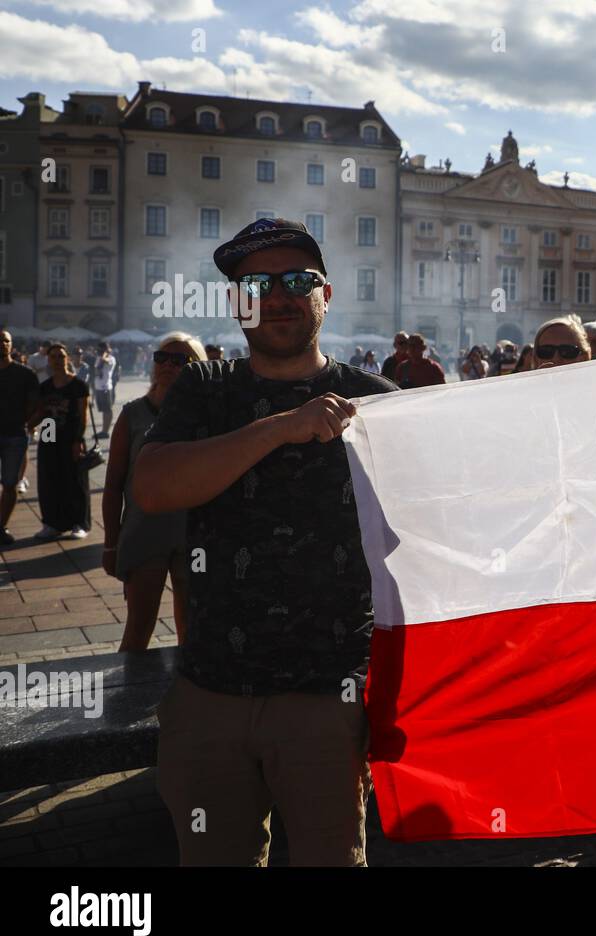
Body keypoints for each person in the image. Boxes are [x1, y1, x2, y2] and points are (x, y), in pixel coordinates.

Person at [131, 217, 399, 866]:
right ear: (237, 302)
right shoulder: (206, 388)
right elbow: (155, 487)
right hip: (210, 692)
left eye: (296, 280)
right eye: (255, 283)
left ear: (325, 296)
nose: (276, 294)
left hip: (327, 700)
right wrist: (283, 427)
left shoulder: (378, 403)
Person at [103, 333, 205, 652]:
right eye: (162, 358)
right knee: (138, 628)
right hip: (144, 530)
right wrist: (110, 543)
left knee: (192, 630)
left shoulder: (209, 416)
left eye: (180, 361)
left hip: (194, 532)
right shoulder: (133, 414)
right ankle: (125, 698)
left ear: (197, 368)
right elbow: (113, 484)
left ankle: (186, 697)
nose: (168, 366)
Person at [29, 342, 92, 541]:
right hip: (49, 433)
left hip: (70, 435)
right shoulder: (45, 387)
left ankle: (79, 523)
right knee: (49, 480)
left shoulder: (78, 385)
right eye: (54, 357)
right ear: (48, 360)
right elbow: (40, 413)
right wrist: (26, 425)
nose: (57, 360)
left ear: (68, 359)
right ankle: (53, 523)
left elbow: (83, 416)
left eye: (61, 356)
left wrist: (78, 440)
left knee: (75, 481)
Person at [0, 330, 40, 545]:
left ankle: (1, 526)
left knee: (9, 484)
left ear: (11, 345)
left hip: (15, 435)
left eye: (5, 341)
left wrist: (28, 424)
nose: (2, 344)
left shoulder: (25, 374)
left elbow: (35, 404)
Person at [93, 342, 117, 438]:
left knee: (107, 410)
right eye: (99, 349)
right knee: (103, 410)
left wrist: (105, 354)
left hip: (106, 387)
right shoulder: (98, 358)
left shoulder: (111, 358)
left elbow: (105, 360)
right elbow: (96, 370)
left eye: (101, 349)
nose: (99, 351)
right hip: (98, 387)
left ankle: (106, 431)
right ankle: (103, 430)